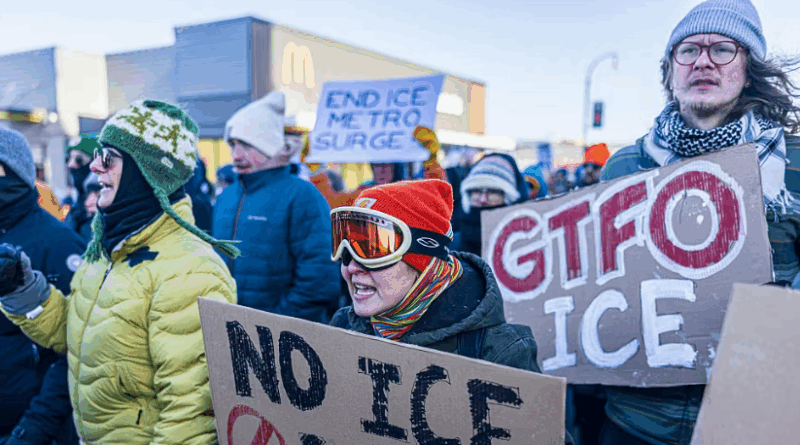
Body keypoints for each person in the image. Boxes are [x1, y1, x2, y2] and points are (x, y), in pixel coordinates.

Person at [600, 0, 800, 443]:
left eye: (723, 49)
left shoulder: (794, 165)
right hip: (635, 420)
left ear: (748, 69)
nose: (703, 60)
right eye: (687, 50)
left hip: (754, 420)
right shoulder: (623, 168)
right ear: (670, 71)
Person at [0, 99, 239, 445]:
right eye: (97, 154)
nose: (94, 167)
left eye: (108, 157)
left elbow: (190, 419)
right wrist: (25, 290)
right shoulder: (107, 250)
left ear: (147, 171)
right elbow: (79, 336)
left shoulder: (191, 270)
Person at [214, 91, 340, 323]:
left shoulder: (303, 196)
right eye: (232, 144)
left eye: (246, 144)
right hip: (228, 329)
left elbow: (319, 280)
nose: (236, 155)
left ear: (270, 144)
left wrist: (276, 325)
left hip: (283, 338)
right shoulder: (227, 197)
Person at [0, 128, 84, 445]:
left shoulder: (58, 242)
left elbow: (74, 350)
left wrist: (33, 430)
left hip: (31, 425)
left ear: (17, 173)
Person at [308, 126, 446, 209]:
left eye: (386, 165)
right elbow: (330, 204)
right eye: (376, 165)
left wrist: (431, 162)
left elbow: (437, 199)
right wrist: (316, 171)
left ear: (396, 167)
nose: (381, 170)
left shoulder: (409, 192)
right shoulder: (363, 193)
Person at [451, 153, 529, 256]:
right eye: (476, 191)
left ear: (508, 197)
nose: (483, 199)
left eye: (492, 191)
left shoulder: (525, 245)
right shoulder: (451, 244)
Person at [63, 136, 101, 239]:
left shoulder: (107, 199)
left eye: (79, 160)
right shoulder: (71, 200)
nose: (71, 164)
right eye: (68, 159)